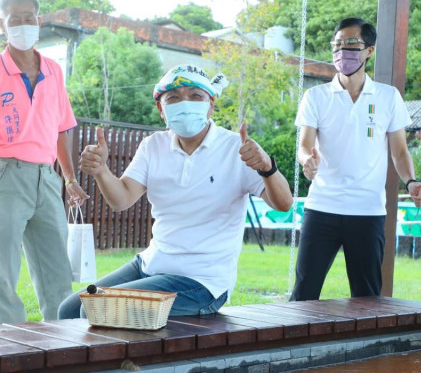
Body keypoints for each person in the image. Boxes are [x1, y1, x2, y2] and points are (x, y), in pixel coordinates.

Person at [58, 64, 293, 319]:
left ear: (210, 104)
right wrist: (101, 170)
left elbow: (283, 204)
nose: (185, 103)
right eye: (173, 98)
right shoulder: (152, 146)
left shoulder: (236, 148)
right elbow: (122, 199)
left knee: (96, 309)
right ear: (162, 110)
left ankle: (127, 360)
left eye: (195, 96)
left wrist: (267, 168)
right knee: (69, 310)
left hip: (201, 281)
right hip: (150, 265)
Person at [0, 0, 88, 324]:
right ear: (3, 25)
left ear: (39, 21)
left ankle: (64, 342)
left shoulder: (54, 71)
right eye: (15, 20)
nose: (24, 25)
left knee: (57, 267)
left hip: (46, 177)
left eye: (30, 18)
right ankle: (7, 345)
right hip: (6, 175)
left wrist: (69, 179)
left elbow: (62, 129)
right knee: (4, 270)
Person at [290, 17, 421, 301]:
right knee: (304, 291)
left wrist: (411, 181)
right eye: (337, 45)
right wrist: (307, 161)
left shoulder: (388, 97)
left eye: (352, 44)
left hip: (368, 211)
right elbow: (304, 145)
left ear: (369, 51)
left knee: (367, 297)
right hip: (322, 208)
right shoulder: (315, 96)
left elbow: (399, 151)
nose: (343, 51)